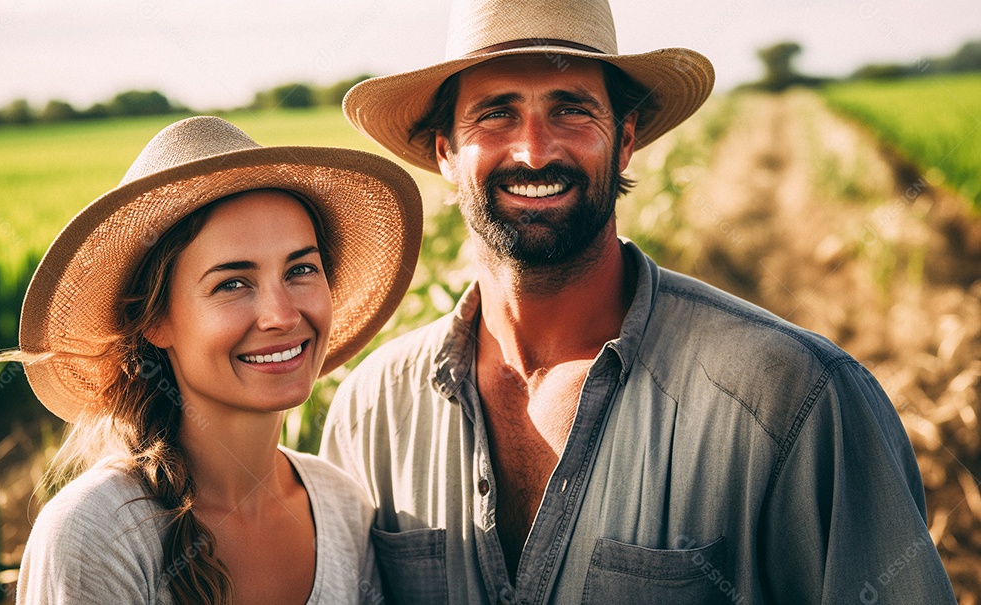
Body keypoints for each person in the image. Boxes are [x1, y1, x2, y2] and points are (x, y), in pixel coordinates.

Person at [319, 0, 957, 603]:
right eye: (495, 114)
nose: (535, 150)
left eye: (571, 110)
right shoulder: (374, 409)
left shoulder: (795, 398)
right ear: (446, 153)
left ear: (624, 141)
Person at [2, 115, 422, 604]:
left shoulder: (342, 507)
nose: (281, 315)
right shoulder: (97, 535)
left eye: (301, 269)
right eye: (232, 283)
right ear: (155, 321)